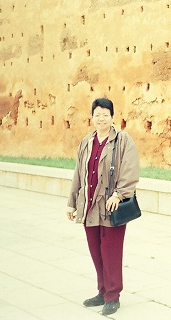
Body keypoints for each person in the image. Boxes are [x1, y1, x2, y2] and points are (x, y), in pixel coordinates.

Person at [66, 98, 140, 315]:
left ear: (112, 117)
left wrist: (119, 194)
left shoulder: (123, 140)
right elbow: (78, 173)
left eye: (105, 115)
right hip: (89, 206)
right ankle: (102, 290)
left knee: (111, 252)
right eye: (97, 115)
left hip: (110, 206)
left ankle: (113, 295)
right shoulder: (86, 142)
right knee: (96, 252)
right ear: (92, 117)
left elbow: (130, 169)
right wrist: (72, 203)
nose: (101, 119)